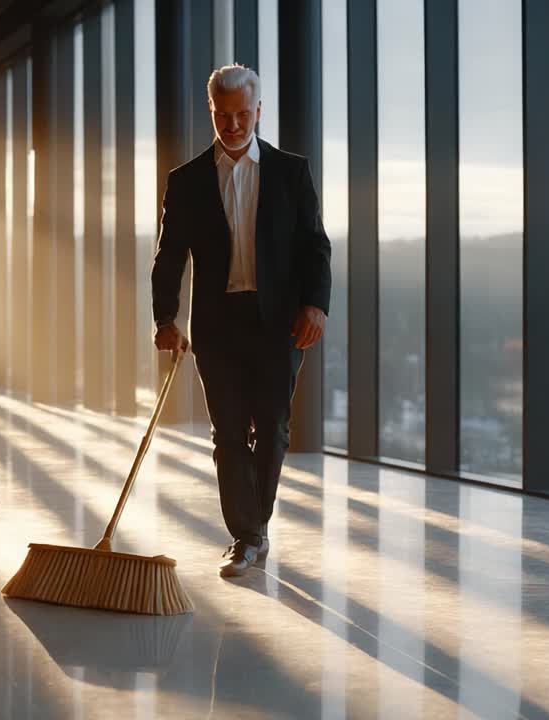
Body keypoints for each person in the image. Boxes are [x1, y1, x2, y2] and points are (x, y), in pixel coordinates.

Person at [150, 63, 332, 577]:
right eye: (223, 115)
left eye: (242, 114)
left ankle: (255, 528)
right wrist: (166, 318)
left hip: (278, 321)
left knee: (271, 429)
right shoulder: (185, 182)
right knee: (228, 432)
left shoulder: (291, 172)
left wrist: (315, 305)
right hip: (217, 324)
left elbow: (314, 246)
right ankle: (247, 536)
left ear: (258, 111)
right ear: (212, 111)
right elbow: (168, 257)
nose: (233, 125)